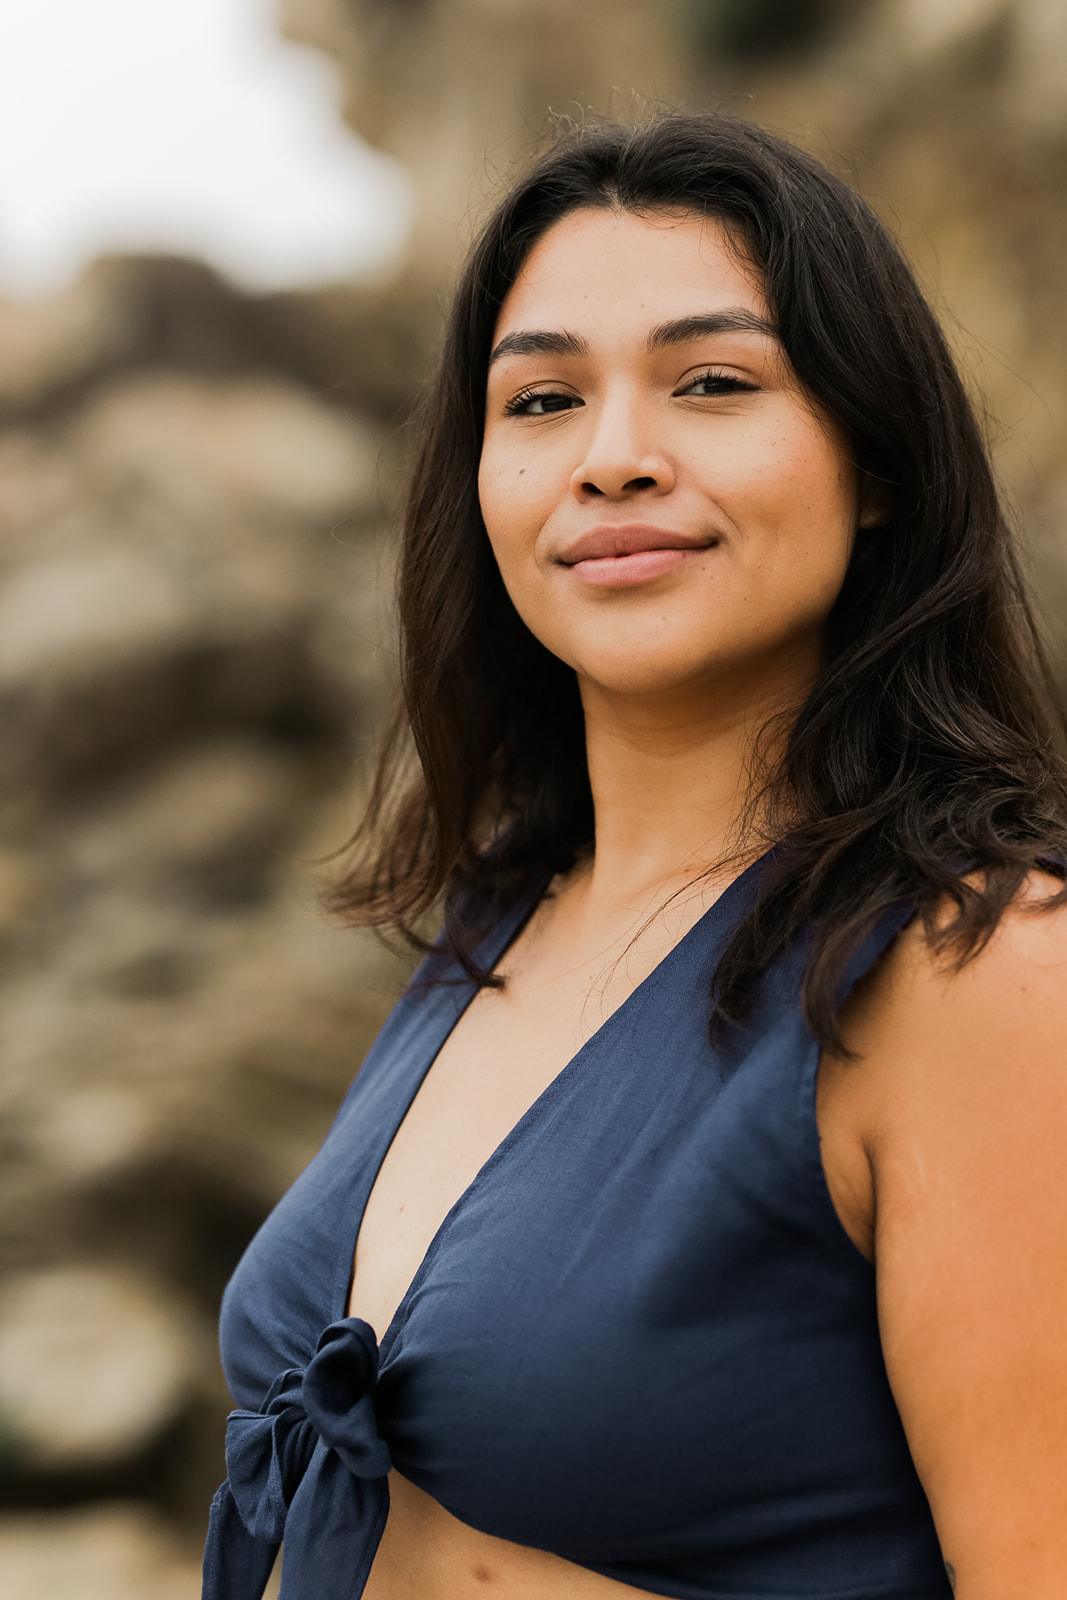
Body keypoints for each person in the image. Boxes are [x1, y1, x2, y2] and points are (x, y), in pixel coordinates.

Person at [202, 114, 1067, 1600]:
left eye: (713, 384)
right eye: (539, 401)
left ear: (878, 464)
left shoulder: (978, 970)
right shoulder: (506, 910)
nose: (612, 460)